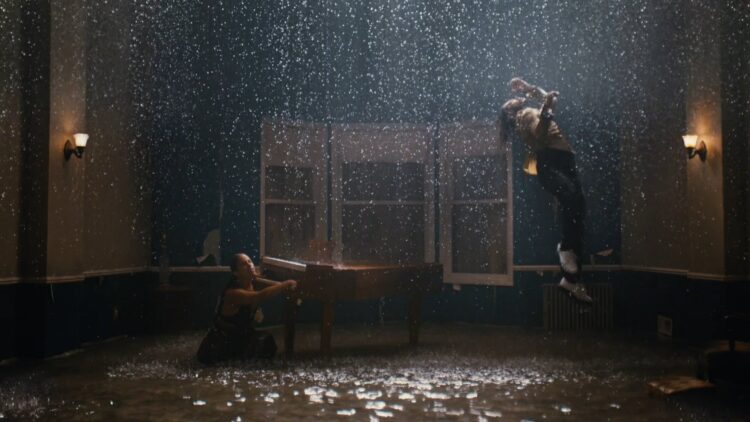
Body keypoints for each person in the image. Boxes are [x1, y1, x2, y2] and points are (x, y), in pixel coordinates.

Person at [499, 77, 592, 303]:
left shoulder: (528, 112)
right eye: (509, 102)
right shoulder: (524, 116)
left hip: (564, 160)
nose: (513, 98)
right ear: (511, 112)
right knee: (573, 203)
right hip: (552, 162)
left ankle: (571, 279)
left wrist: (529, 88)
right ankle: (566, 251)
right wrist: (547, 108)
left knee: (578, 210)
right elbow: (541, 135)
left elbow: (547, 98)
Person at [196, 253, 298, 364]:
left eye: (250, 261)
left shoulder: (251, 283)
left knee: (267, 341)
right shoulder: (233, 293)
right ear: (236, 273)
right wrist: (285, 284)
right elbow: (259, 296)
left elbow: (264, 281)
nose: (249, 265)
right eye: (244, 264)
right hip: (222, 341)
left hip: (241, 334)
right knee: (259, 345)